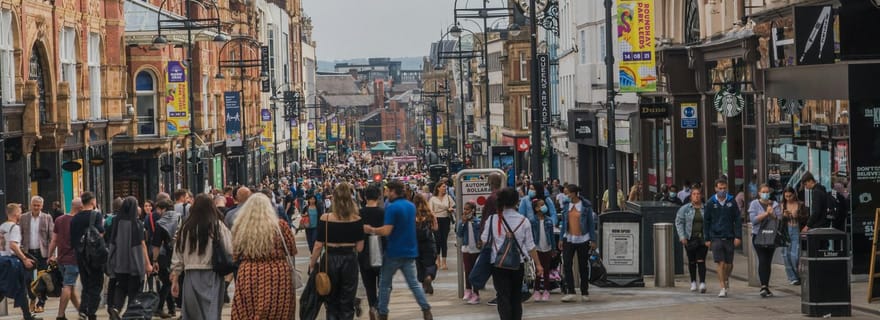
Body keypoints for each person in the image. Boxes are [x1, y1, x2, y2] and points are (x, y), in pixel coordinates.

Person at [364, 180, 433, 320]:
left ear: (393, 191)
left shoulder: (392, 208)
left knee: (384, 284)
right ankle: (426, 309)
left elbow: (387, 230)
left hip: (394, 252)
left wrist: (371, 230)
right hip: (410, 251)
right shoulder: (410, 206)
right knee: (413, 283)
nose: (386, 193)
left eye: (388, 191)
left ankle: (383, 312)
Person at [231, 193, 297, 319]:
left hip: (249, 273)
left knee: (249, 309)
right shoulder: (280, 226)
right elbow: (292, 249)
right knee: (278, 310)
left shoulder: (240, 227)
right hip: (278, 273)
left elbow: (235, 254)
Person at [480, 187, 543, 320]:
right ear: (516, 202)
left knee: (502, 296)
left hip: (498, 264)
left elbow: (484, 240)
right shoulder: (523, 221)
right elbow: (530, 246)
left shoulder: (492, 219)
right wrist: (538, 265)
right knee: (516, 297)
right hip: (517, 264)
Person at [169, 194, 232, 319]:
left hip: (191, 275)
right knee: (212, 312)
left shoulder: (186, 228)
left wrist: (175, 277)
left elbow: (178, 254)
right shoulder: (218, 226)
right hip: (212, 274)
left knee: (193, 314)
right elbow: (230, 249)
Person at [309, 182, 365, 319]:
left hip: (330, 259)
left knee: (331, 301)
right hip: (349, 260)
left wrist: (312, 264)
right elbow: (360, 247)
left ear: (334, 199)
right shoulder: (357, 219)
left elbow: (318, 245)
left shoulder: (325, 218)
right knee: (347, 300)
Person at [107, 197, 153, 319]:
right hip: (134, 263)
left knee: (121, 287)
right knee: (134, 291)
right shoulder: (136, 223)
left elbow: (112, 243)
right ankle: (130, 314)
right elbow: (142, 245)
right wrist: (147, 264)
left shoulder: (116, 221)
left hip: (119, 263)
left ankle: (116, 307)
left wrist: (110, 261)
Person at [0, 203, 41, 320]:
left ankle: (27, 315)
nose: (21, 214)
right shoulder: (15, 228)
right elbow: (13, 245)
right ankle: (27, 316)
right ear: (15, 214)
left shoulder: (2, 226)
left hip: (1, 260)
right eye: (20, 212)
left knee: (3, 289)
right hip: (11, 263)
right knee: (20, 288)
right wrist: (24, 259)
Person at [704, 179, 742, 298]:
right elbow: (706, 221)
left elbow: (737, 219)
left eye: (724, 188)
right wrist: (707, 238)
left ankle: (726, 278)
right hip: (716, 236)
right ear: (715, 188)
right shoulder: (710, 202)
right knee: (720, 262)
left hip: (729, 236)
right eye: (720, 188)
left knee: (729, 264)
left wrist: (738, 236)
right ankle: (722, 287)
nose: (722, 190)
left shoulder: (732, 201)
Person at [69, 192, 105, 320]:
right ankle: (91, 312)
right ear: (93, 201)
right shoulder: (96, 215)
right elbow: (100, 233)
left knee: (86, 283)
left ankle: (83, 309)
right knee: (96, 284)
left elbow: (72, 239)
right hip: (94, 255)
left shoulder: (75, 218)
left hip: (80, 255)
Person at [558, 184, 596, 302]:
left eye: (568, 193)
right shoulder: (566, 205)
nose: (566, 195)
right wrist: (560, 238)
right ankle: (571, 291)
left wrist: (593, 240)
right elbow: (564, 223)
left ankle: (585, 291)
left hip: (583, 239)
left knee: (583, 266)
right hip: (568, 238)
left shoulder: (585, 205)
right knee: (567, 264)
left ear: (574, 193)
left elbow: (590, 223)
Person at [48, 198, 83, 319]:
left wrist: (50, 255)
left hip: (61, 259)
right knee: (68, 286)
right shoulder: (78, 221)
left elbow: (54, 240)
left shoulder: (59, 219)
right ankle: (60, 315)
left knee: (70, 287)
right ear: (80, 208)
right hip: (73, 259)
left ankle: (81, 312)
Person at [20, 195, 53, 313]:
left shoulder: (47, 217)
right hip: (28, 252)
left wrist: (51, 254)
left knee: (43, 278)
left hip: (42, 252)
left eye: (38, 205)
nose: (36, 207)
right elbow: (20, 234)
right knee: (27, 279)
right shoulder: (23, 218)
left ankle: (41, 303)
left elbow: (51, 237)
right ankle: (32, 299)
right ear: (30, 204)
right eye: (34, 205)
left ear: (42, 206)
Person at [748, 184, 782, 298]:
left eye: (767, 191)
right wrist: (766, 213)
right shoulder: (754, 204)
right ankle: (763, 286)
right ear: (759, 193)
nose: (765, 193)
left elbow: (778, 219)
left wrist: (772, 214)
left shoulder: (775, 204)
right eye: (763, 191)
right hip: (758, 236)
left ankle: (766, 286)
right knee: (762, 260)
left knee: (768, 262)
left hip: (771, 236)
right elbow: (753, 220)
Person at [675, 187, 708, 294]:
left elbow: (711, 222)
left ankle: (702, 282)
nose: (696, 196)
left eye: (698, 194)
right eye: (694, 194)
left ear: (701, 196)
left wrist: (710, 237)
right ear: (691, 196)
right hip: (690, 238)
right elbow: (679, 222)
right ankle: (693, 281)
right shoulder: (685, 209)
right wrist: (682, 236)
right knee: (692, 261)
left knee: (701, 260)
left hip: (702, 239)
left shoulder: (706, 208)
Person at [149, 200, 179, 319]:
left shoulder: (160, 223)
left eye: (158, 209)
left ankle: (159, 307)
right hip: (179, 255)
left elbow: (156, 244)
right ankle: (171, 309)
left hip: (165, 256)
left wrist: (154, 260)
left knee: (166, 281)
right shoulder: (181, 218)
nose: (157, 212)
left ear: (163, 209)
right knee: (171, 281)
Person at [359, 184, 385, 319]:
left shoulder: (359, 214)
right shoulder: (383, 213)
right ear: (379, 196)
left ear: (364, 196)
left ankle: (372, 307)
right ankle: (379, 306)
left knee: (369, 286)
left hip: (364, 253)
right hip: (382, 252)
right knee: (383, 284)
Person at [529, 198, 555, 302]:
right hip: (537, 249)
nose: (543, 207)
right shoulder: (532, 221)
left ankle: (546, 290)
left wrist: (553, 248)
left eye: (544, 204)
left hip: (547, 248)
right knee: (538, 270)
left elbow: (552, 236)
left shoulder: (549, 220)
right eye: (541, 205)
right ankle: (536, 290)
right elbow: (530, 236)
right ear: (536, 208)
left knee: (547, 269)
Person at [781, 186, 808, 285]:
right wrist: (784, 216)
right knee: (786, 255)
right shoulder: (783, 205)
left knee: (795, 256)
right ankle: (792, 277)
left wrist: (798, 216)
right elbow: (778, 220)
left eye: (790, 196)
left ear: (794, 195)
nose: (788, 198)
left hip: (796, 230)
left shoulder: (800, 205)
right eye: (786, 196)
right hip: (786, 231)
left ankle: (799, 275)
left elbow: (806, 218)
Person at [456, 201, 481, 305]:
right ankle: (468, 289)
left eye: (468, 209)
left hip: (476, 249)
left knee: (475, 271)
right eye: (464, 209)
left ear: (473, 210)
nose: (465, 211)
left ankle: (476, 293)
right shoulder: (462, 222)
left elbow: (481, 234)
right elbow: (459, 233)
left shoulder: (477, 221)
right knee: (467, 270)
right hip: (466, 248)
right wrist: (463, 222)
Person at [413, 194, 438, 294]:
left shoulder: (412, 214)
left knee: (419, 264)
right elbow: (435, 228)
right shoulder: (429, 214)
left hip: (416, 243)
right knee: (430, 263)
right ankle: (429, 277)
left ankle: (424, 285)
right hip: (428, 243)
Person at [428, 182, 454, 270]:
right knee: (437, 240)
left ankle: (444, 262)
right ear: (438, 188)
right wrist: (433, 217)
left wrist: (451, 209)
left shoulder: (448, 197)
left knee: (444, 240)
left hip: (445, 219)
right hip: (436, 220)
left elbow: (453, 206)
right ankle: (437, 260)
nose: (444, 188)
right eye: (443, 187)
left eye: (445, 187)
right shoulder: (433, 199)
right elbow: (430, 210)